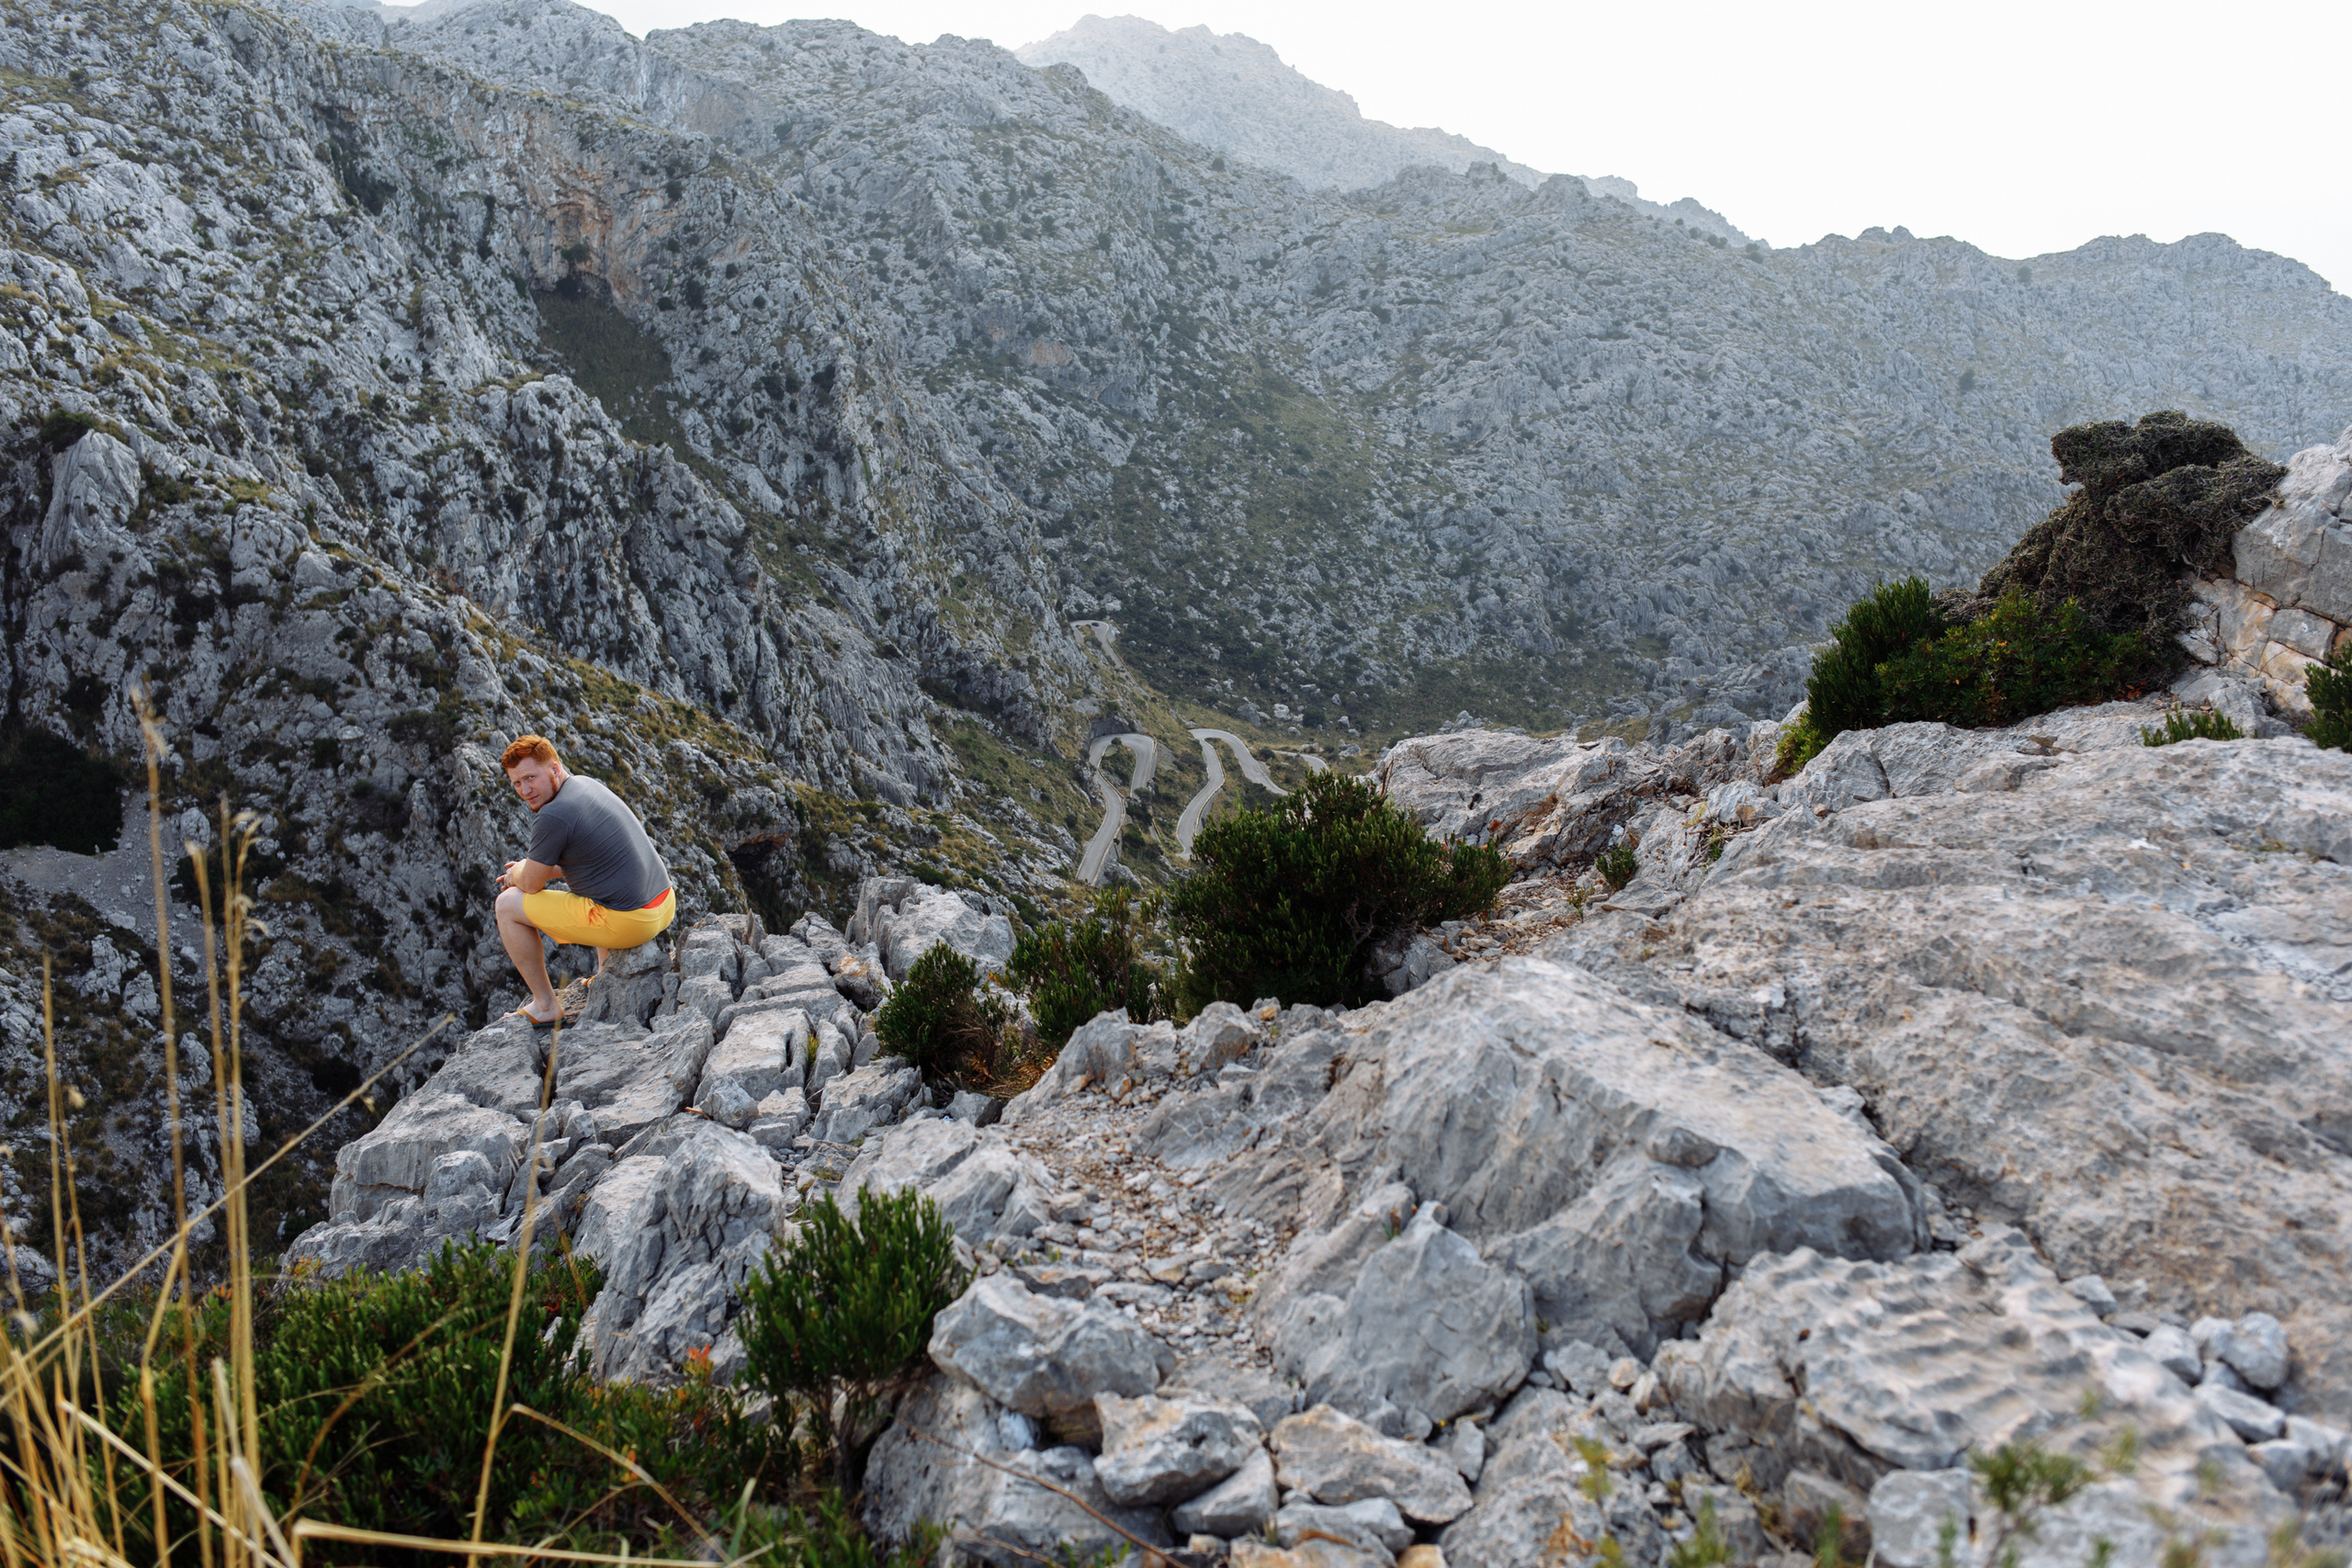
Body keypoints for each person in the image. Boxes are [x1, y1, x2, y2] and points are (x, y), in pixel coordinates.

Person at [494, 734, 676, 1027]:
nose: (525, 789)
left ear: (554, 769)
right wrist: (529, 868)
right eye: (516, 783)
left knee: (506, 905)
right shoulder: (584, 785)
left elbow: (530, 884)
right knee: (592, 888)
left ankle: (544, 1005)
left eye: (531, 777)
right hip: (663, 902)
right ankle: (606, 975)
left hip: (631, 921)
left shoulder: (553, 814)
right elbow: (584, 860)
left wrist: (519, 873)